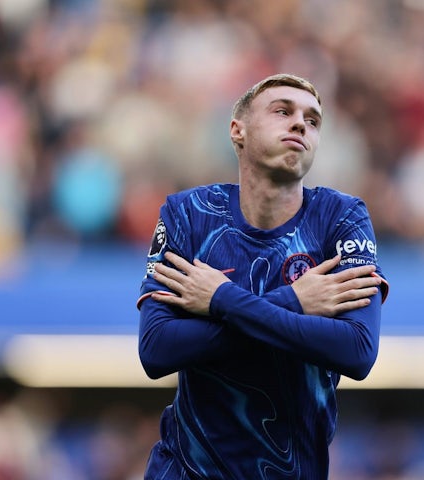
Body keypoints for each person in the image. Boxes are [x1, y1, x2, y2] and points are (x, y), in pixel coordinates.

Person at [137, 73, 389, 479]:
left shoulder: (342, 219)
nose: (300, 124)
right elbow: (156, 350)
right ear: (238, 131)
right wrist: (294, 303)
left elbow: (358, 351)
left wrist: (221, 300)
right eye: (282, 111)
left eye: (313, 120)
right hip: (186, 470)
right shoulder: (188, 215)